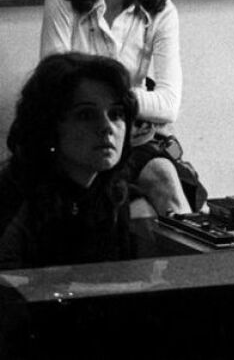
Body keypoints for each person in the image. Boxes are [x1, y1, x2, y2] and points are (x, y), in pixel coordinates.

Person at [40, 0, 204, 216]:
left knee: (167, 186)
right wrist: (131, 103)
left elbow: (169, 105)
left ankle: (204, 265)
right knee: (139, 212)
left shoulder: (161, 11)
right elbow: (52, 86)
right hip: (76, 142)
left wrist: (110, 103)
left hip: (137, 144)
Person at [0, 52, 137, 269]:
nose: (107, 127)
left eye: (116, 114)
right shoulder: (14, 199)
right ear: (49, 125)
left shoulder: (113, 192)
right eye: (86, 115)